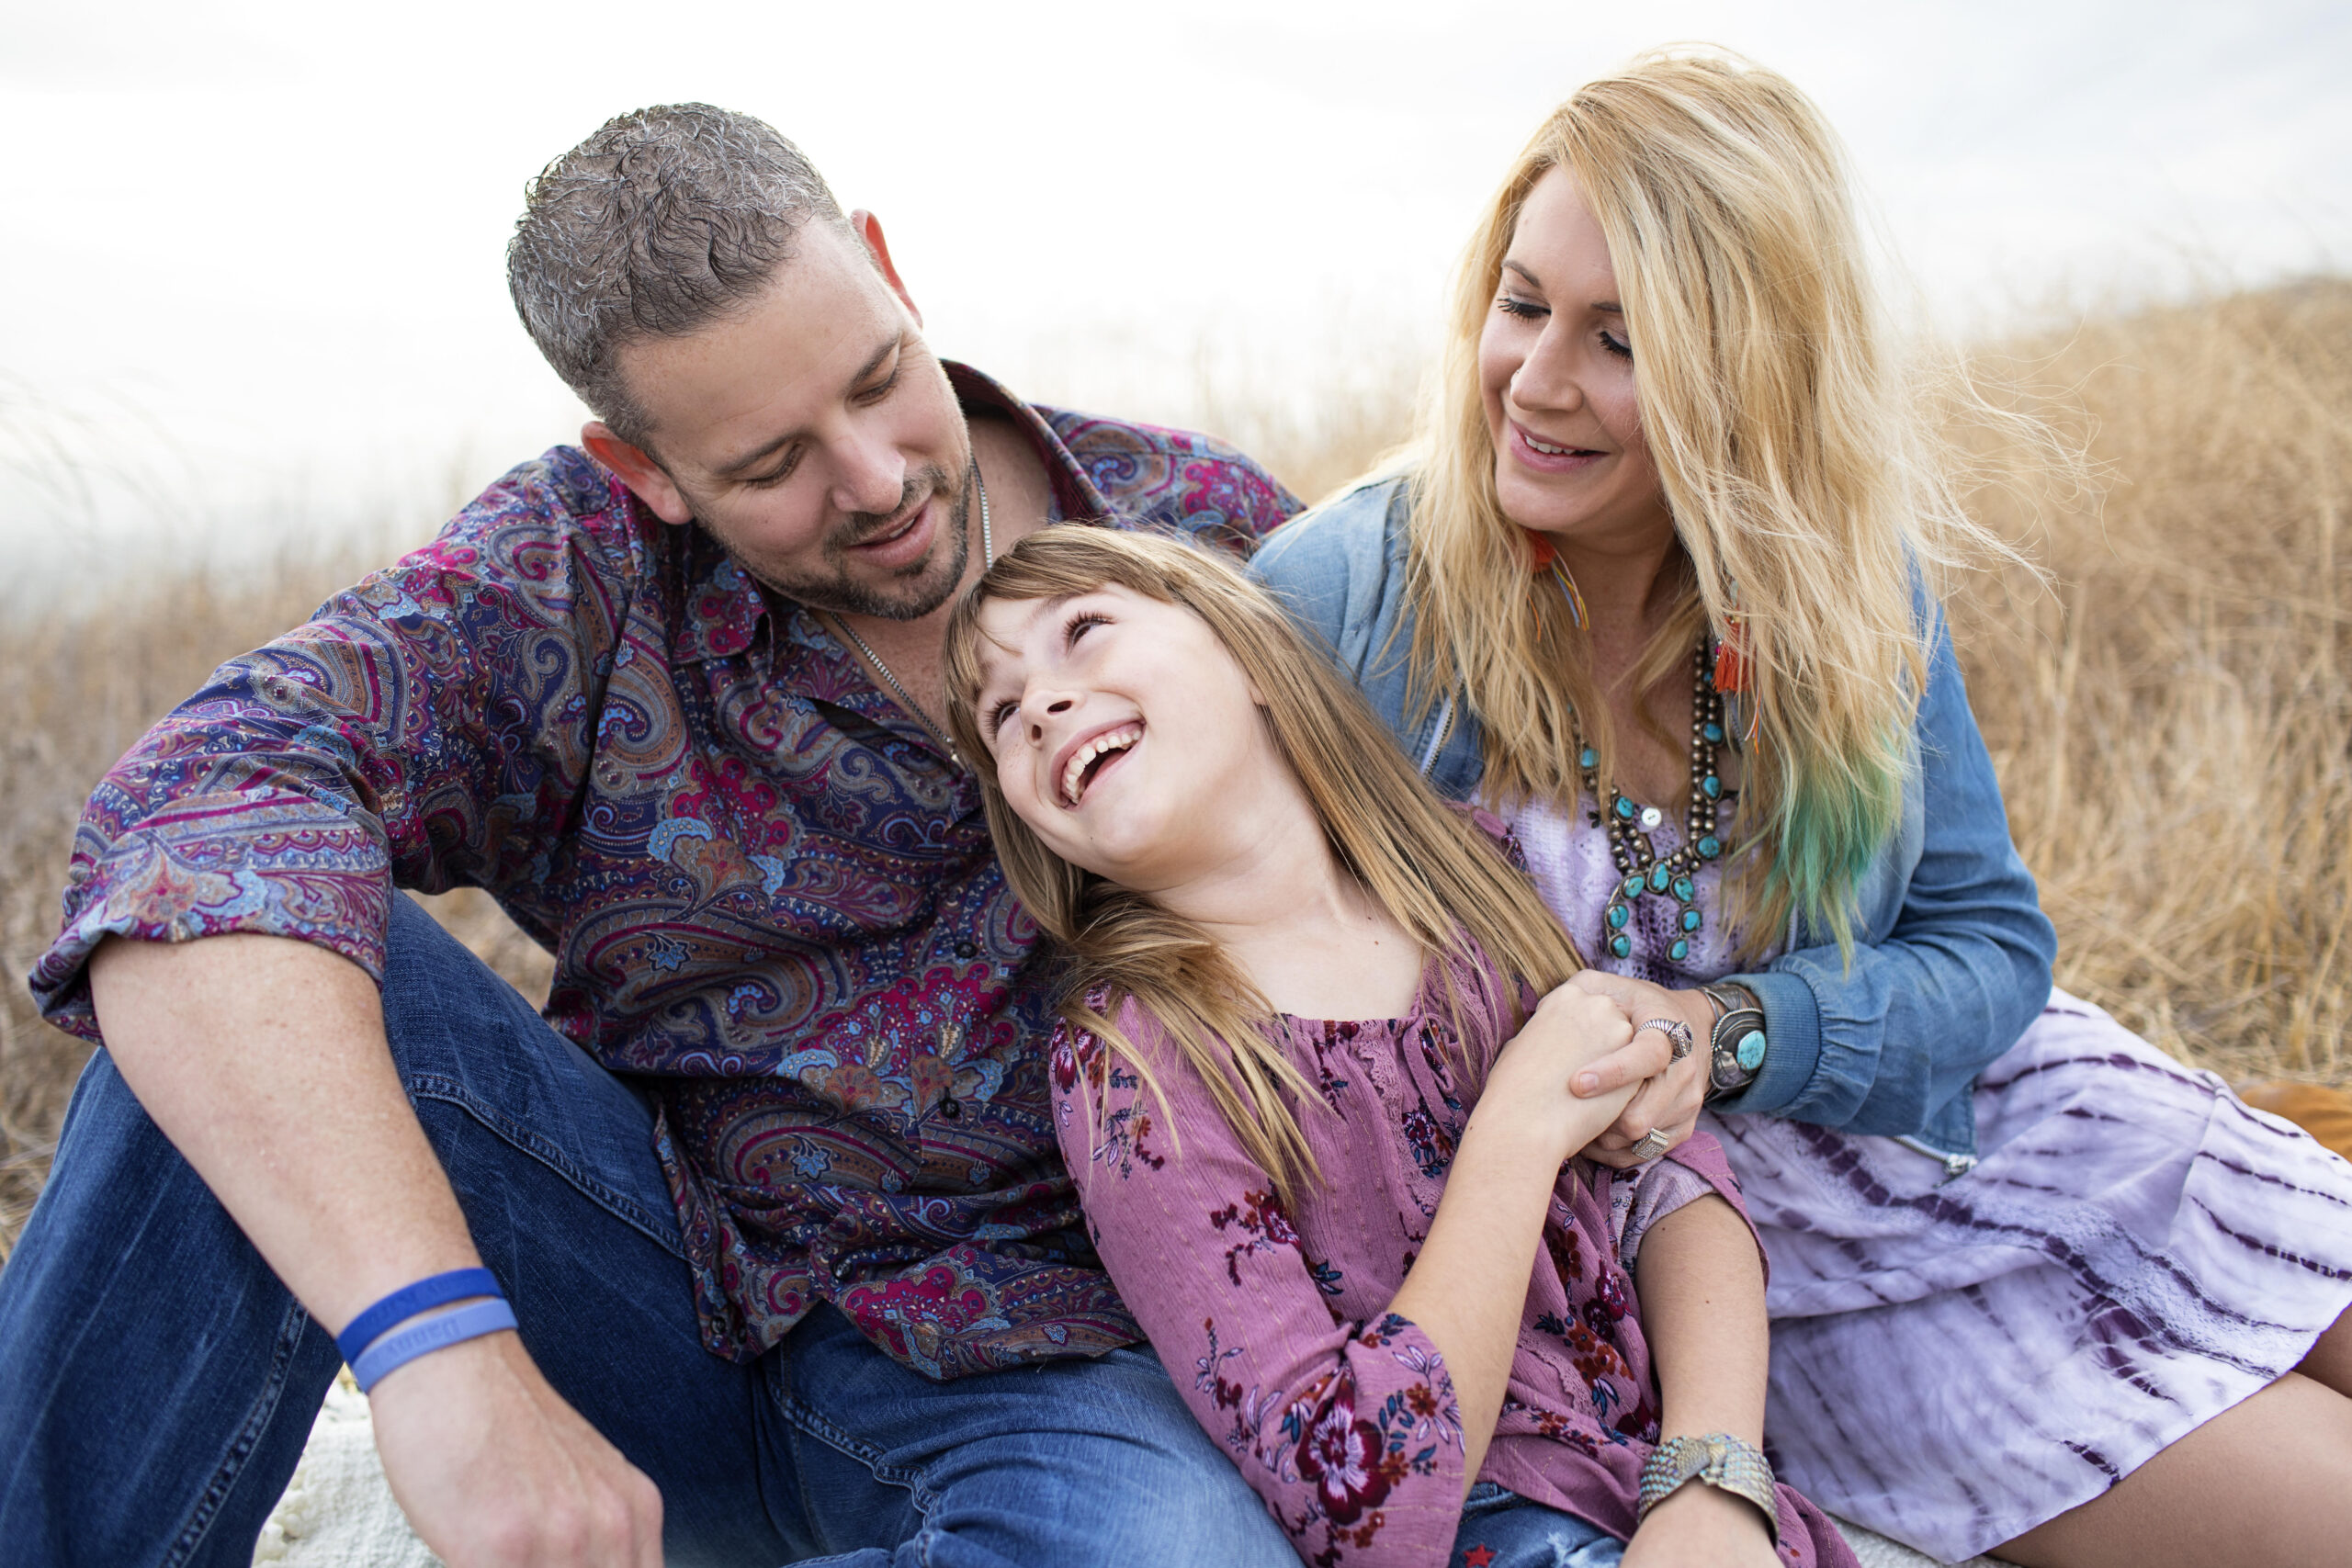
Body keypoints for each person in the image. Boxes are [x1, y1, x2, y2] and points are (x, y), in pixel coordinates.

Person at [0, 103, 1327, 1568]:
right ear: (643, 467)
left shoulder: (1206, 533)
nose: (878, 480)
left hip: (1064, 1365)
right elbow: (199, 798)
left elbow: (1453, 877)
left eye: (881, 380)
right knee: (229, 953)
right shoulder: (568, 574)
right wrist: (439, 1350)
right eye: (770, 467)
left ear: (885, 268)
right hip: (666, 1308)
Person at [1250, 49, 2352, 1568]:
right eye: (1522, 305)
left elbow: (1989, 946)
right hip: (1770, 1276)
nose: (1538, 380)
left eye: (1620, 339)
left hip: (2009, 1126)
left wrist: (1739, 1030)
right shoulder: (1352, 605)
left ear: (1745, 371)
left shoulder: (1842, 587)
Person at [939, 525, 1859, 1568]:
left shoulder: (1468, 879)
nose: (1042, 705)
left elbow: (1665, 1171)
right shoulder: (1138, 1066)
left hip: (1664, 1488)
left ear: (1247, 652)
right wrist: (1513, 1134)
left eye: (1084, 630)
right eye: (1001, 717)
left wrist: (1712, 1477)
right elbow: (1356, 1503)